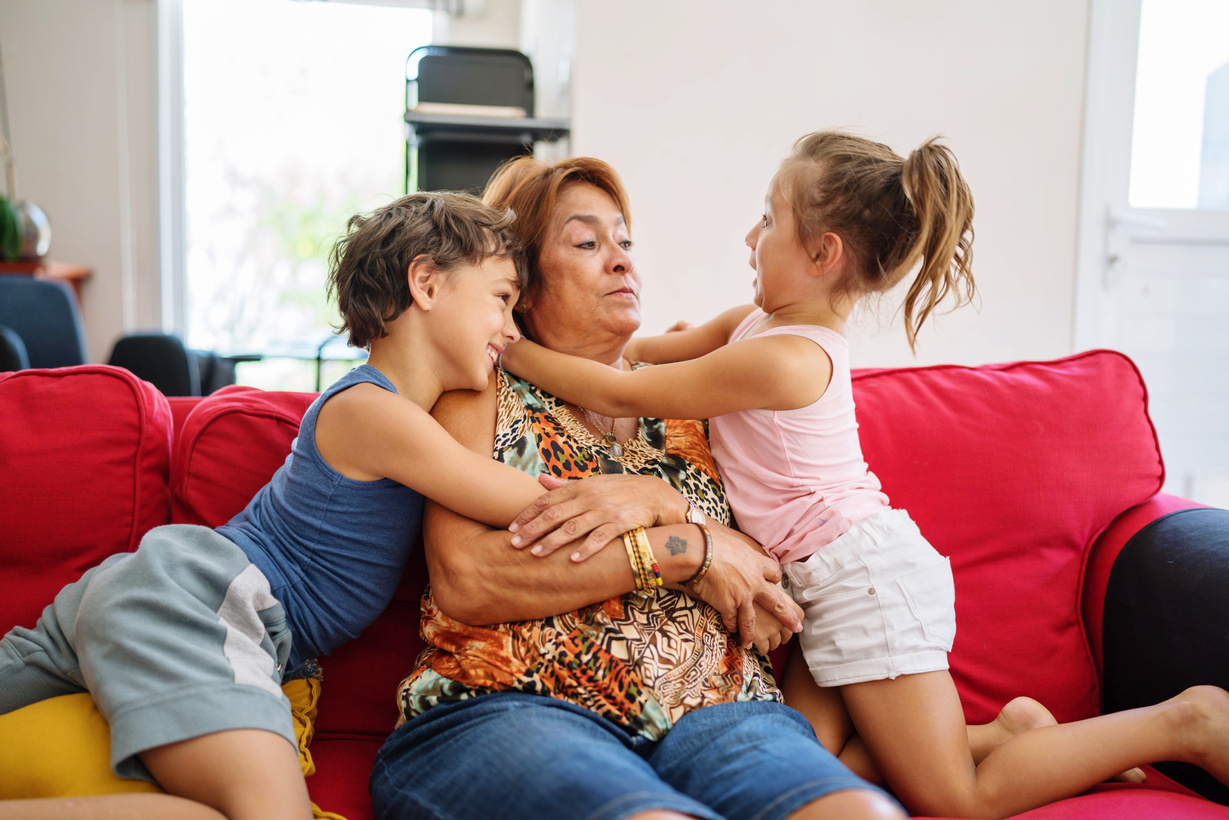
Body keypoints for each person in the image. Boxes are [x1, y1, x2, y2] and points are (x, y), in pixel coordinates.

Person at [497, 131, 1229, 819]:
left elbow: (621, 391)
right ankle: (1009, 734)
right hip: (818, 582)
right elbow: (633, 359)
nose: (748, 238)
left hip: (860, 580)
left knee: (954, 799)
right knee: (807, 761)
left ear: (822, 252)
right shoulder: (750, 326)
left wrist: (508, 345)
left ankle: (1183, 722)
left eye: (766, 221)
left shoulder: (789, 358)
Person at [0, 192, 642, 820]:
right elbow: (531, 501)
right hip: (198, 598)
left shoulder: (397, 412)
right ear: (427, 284)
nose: (511, 329)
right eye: (502, 299)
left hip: (171, 594)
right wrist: (655, 501)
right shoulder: (372, 411)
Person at [369, 156, 907, 820]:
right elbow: (467, 580)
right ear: (524, 284)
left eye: (624, 241)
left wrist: (665, 501)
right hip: (516, 705)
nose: (622, 261)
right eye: (587, 243)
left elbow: (772, 564)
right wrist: (679, 545)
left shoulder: (702, 396)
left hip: (719, 716)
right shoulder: (480, 390)